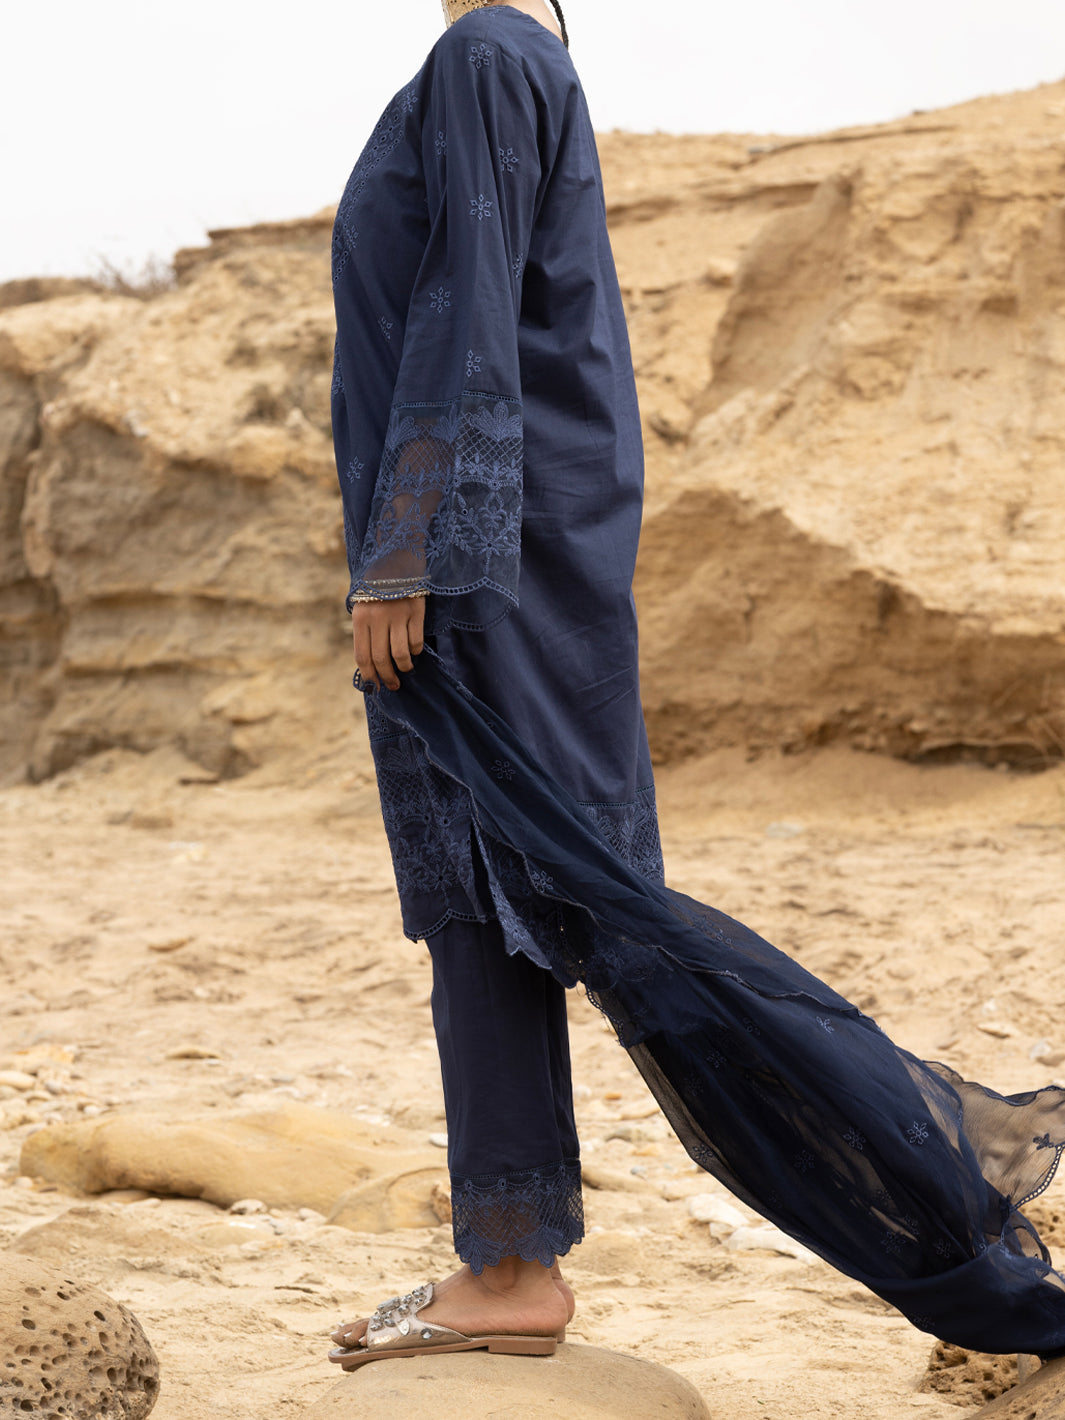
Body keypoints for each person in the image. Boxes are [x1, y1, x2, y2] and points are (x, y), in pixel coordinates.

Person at [327, 0, 1065, 1375]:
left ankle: (958, 1217)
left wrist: (406, 549)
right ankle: (509, 1261)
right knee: (502, 909)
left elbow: (467, 313)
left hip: (481, 568)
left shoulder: (484, 57)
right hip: (505, 561)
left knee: (579, 911)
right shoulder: (520, 63)